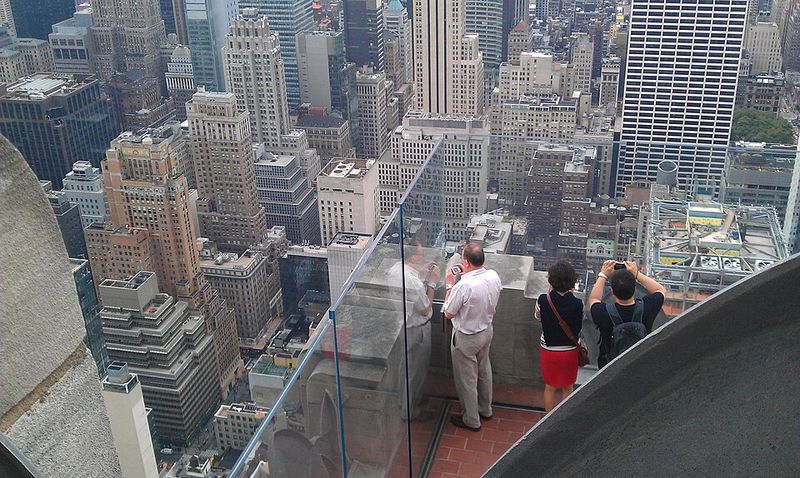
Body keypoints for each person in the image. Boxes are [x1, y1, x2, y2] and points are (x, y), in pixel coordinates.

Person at [443, 243, 502, 432]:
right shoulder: (493, 276)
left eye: (462, 259)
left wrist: (450, 283)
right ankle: (486, 409)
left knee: (467, 379)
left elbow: (448, 313)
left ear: (466, 262)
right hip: (486, 331)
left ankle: (471, 419)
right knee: (484, 371)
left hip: (467, 338)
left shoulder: (464, 286)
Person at [387, 246, 439, 422]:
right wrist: (432, 283)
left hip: (403, 326)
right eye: (420, 254)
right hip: (417, 329)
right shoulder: (412, 282)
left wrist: (420, 271)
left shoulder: (395, 270)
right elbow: (425, 309)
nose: (422, 256)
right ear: (414, 258)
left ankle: (406, 401)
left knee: (406, 368)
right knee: (416, 371)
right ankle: (409, 411)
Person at [588, 260, 666, 368]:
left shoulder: (602, 312)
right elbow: (660, 289)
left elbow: (593, 299)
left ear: (612, 291)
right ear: (634, 290)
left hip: (609, 370)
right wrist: (637, 274)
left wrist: (603, 275)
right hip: (639, 366)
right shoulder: (647, 307)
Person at [535, 260, 583, 412]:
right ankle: (563, 419)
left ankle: (548, 421)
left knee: (549, 388)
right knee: (568, 388)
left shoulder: (543, 300)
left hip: (549, 349)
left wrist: (550, 294)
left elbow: (538, 316)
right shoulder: (577, 303)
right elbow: (578, 322)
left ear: (551, 281)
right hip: (570, 351)